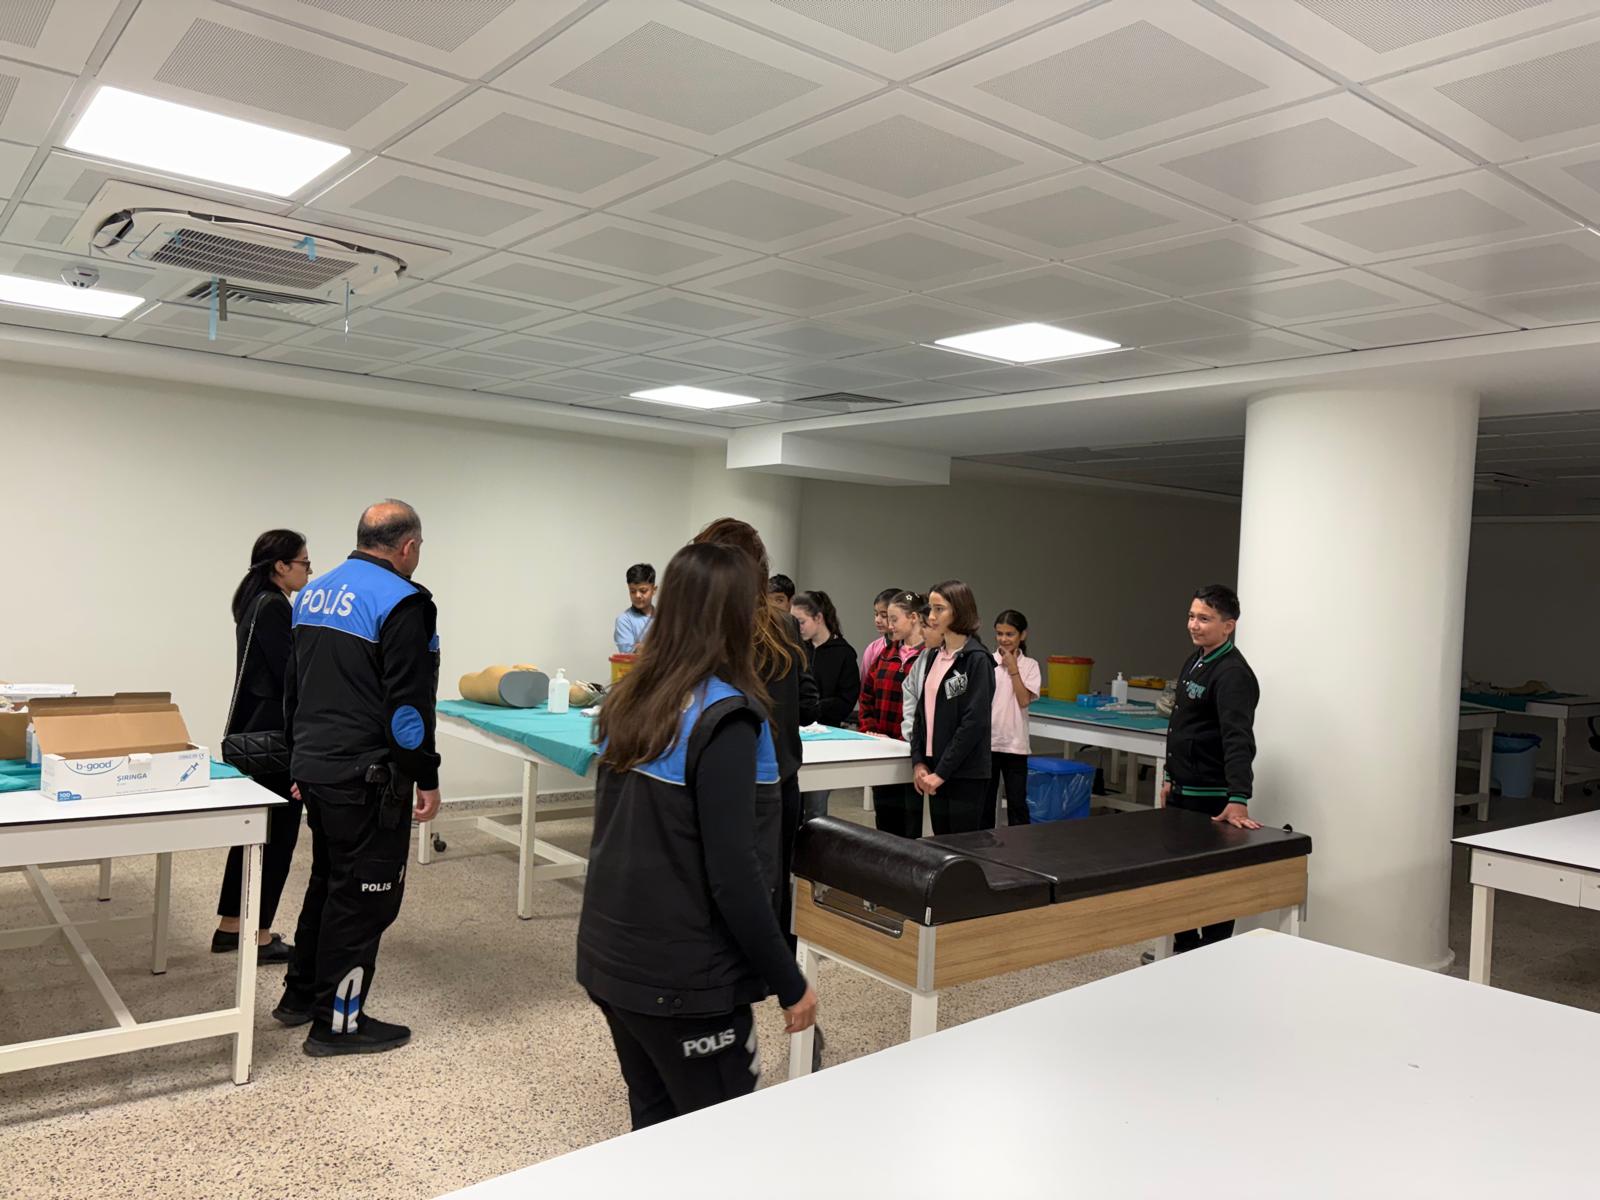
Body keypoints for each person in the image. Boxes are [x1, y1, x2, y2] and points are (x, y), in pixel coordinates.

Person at [580, 541, 817, 1128]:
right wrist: (789, 981)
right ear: (737, 616)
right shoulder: (727, 719)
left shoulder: (632, 697)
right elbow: (735, 874)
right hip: (685, 979)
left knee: (656, 1126)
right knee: (724, 1139)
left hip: (612, 960)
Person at [274, 500, 442, 1057]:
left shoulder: (313, 593)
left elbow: (294, 689)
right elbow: (408, 708)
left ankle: (299, 997)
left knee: (328, 881)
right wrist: (425, 775)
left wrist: (299, 761)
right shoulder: (404, 602)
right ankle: (337, 1024)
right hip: (367, 778)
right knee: (365, 898)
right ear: (408, 547)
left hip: (315, 768)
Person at [213, 529, 311, 964]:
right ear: (281, 566)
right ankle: (259, 934)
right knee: (277, 838)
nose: (309, 571)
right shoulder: (274, 607)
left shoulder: (253, 603)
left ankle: (231, 927)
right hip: (275, 739)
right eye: (304, 563)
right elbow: (290, 678)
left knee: (252, 834)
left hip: (255, 733)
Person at [1163, 584, 1263, 955]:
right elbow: (1181, 723)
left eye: (1204, 619)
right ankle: (1186, 948)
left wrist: (1238, 797)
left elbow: (1238, 739)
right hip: (1182, 790)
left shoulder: (1233, 673)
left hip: (1212, 797)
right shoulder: (1196, 660)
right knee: (1178, 877)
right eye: (1191, 616)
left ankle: (1215, 953)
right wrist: (1169, 777)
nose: (1194, 625)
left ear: (1228, 626)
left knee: (1213, 882)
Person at [912, 580, 994, 835]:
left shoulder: (977, 660)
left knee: (963, 848)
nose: (931, 617)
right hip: (935, 768)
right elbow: (921, 714)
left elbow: (974, 722)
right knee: (941, 846)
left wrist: (942, 772)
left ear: (958, 611)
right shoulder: (935, 656)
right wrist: (919, 762)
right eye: (931, 609)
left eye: (939, 609)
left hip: (964, 773)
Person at [862, 591, 925, 839]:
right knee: (886, 820)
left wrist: (910, 741)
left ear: (913, 618)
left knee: (912, 822)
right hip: (883, 748)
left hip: (912, 751)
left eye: (894, 619)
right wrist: (869, 731)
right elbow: (867, 696)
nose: (889, 625)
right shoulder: (884, 656)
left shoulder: (928, 657)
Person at [792, 590, 858, 822]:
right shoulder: (798, 650)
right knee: (793, 806)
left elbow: (846, 700)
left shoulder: (844, 654)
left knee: (815, 810)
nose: (797, 628)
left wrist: (814, 709)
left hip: (827, 738)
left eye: (801, 622)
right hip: (797, 735)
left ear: (818, 618)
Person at [988, 609, 1041, 828]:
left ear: (1022, 635)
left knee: (1017, 802)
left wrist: (1013, 669)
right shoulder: (987, 662)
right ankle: (983, 843)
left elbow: (1024, 700)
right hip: (988, 742)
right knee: (985, 802)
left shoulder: (1030, 665)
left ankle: (1020, 845)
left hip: (1015, 745)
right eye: (999, 633)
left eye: (1010, 634)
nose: (1004, 639)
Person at [859, 587, 901, 687]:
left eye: (884, 615)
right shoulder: (873, 649)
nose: (877, 620)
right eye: (876, 614)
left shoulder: (912, 648)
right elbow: (865, 686)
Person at [614, 563, 656, 653]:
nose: (637, 595)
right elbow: (629, 654)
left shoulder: (665, 617)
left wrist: (643, 647)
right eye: (632, 591)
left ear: (654, 590)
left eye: (643, 591)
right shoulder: (624, 620)